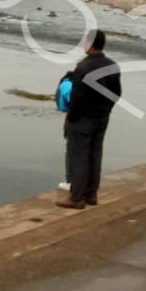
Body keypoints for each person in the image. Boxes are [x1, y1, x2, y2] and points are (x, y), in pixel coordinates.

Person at [60, 30, 121, 208]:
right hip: (102, 118)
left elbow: (77, 98)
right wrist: (106, 110)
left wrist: (71, 118)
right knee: (95, 154)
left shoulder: (83, 67)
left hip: (82, 119)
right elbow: (116, 93)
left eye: (85, 41)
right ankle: (91, 195)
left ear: (90, 44)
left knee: (79, 156)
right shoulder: (112, 65)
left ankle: (76, 198)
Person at [54, 71, 74, 192]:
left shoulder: (66, 84)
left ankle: (71, 183)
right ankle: (88, 185)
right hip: (98, 120)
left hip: (75, 121)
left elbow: (62, 106)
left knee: (72, 153)